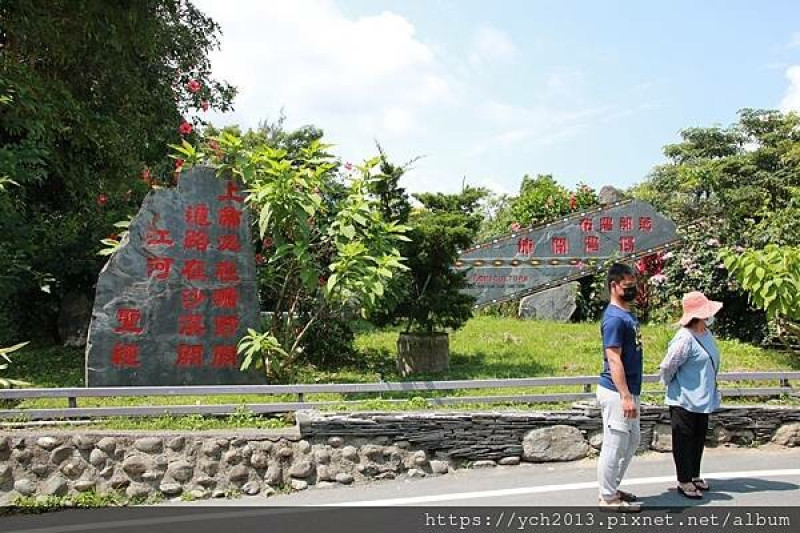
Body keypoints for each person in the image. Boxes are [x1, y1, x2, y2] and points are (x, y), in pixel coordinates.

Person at [659, 291, 723, 499]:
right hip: (684, 398)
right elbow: (668, 366)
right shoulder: (684, 338)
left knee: (698, 438)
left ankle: (694, 474)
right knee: (684, 440)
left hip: (703, 397)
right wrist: (671, 384)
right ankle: (684, 480)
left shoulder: (706, 334)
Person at [596, 263, 644, 512]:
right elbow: (613, 357)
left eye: (634, 284)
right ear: (613, 286)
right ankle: (607, 496)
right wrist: (625, 395)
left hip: (629, 390)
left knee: (632, 441)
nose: (632, 289)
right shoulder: (614, 318)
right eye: (627, 286)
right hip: (617, 392)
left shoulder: (627, 314)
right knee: (615, 444)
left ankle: (612, 486)